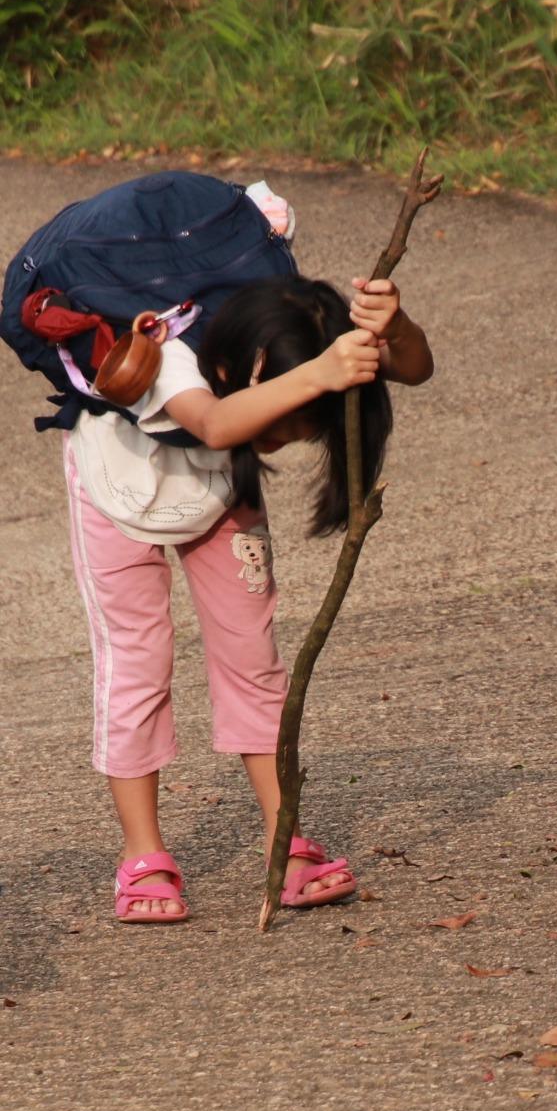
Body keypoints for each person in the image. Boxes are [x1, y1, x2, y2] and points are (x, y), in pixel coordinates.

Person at [60, 200, 432, 923]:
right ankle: (143, 855)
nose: (288, 438)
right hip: (117, 489)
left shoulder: (281, 337)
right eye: (290, 424)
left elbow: (412, 369)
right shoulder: (170, 348)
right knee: (137, 659)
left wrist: (394, 327)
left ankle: (283, 838)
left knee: (251, 656)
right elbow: (220, 421)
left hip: (220, 491)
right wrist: (318, 375)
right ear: (248, 368)